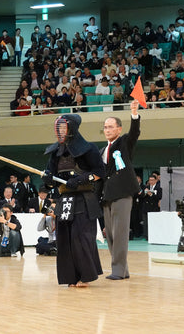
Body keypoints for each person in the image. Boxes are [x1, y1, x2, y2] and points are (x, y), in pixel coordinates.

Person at [42, 114, 104, 287]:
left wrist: (81, 179)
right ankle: (71, 277)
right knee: (65, 238)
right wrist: (48, 181)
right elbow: (51, 177)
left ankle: (85, 276)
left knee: (81, 237)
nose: (60, 131)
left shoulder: (89, 149)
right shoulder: (55, 152)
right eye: (58, 128)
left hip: (84, 199)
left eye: (63, 128)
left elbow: (100, 172)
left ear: (72, 129)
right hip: (65, 200)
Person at [100, 100, 140, 280]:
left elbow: (134, 133)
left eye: (110, 127)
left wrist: (134, 114)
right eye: (105, 127)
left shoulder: (124, 143)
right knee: (110, 235)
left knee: (120, 234)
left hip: (123, 193)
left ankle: (117, 269)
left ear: (118, 129)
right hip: (107, 196)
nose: (107, 130)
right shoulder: (102, 150)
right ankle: (123, 270)